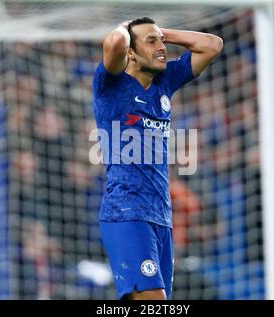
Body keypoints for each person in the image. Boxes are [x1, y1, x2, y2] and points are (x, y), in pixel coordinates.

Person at [92, 17, 223, 300]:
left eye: (161, 40)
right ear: (131, 53)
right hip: (127, 212)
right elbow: (114, 42)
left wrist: (161, 33)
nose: (161, 46)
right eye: (151, 42)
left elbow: (212, 45)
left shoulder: (164, 82)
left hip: (161, 217)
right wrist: (126, 27)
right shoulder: (111, 84)